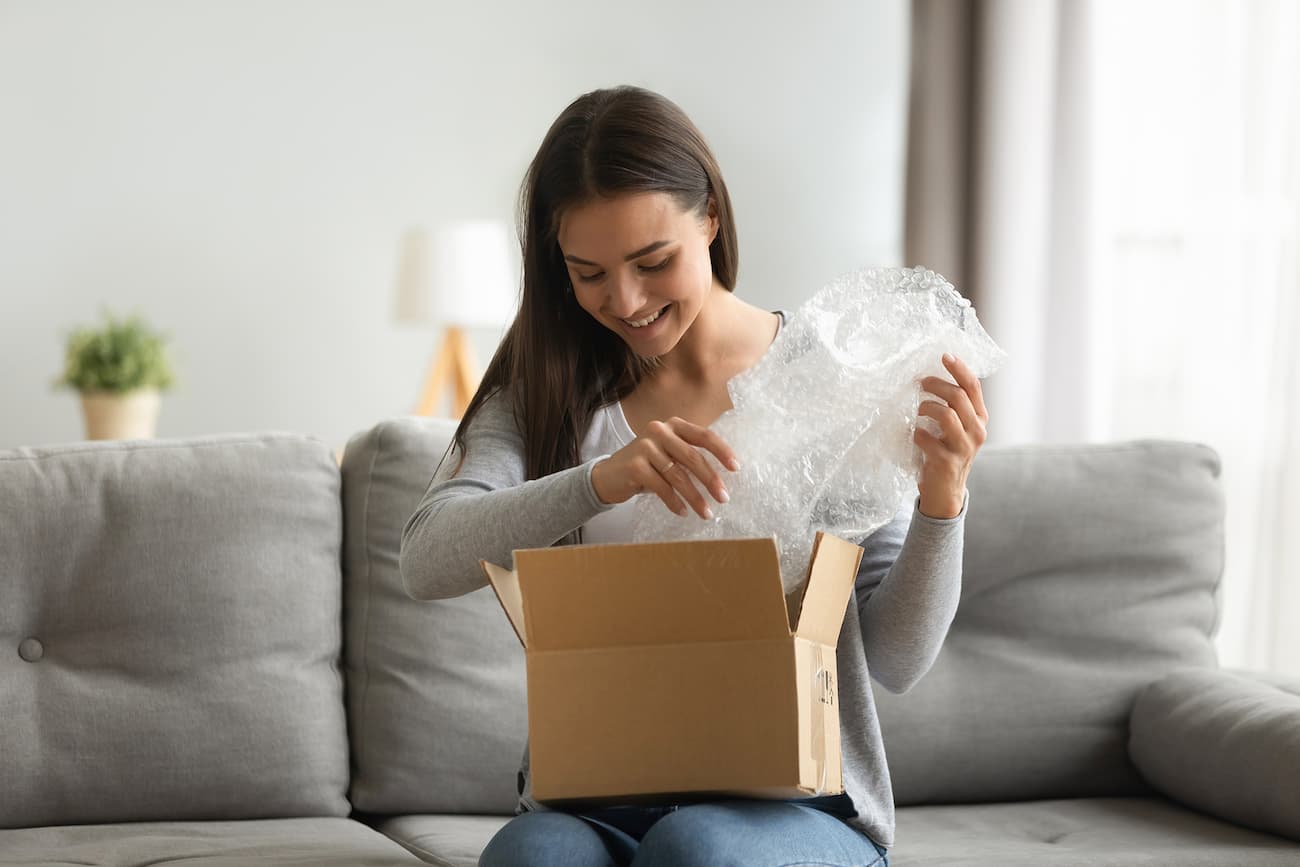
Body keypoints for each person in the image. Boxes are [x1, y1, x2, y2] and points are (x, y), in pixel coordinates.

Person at [399, 85, 989, 867]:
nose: (627, 301)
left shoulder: (827, 381)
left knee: (698, 847)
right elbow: (425, 557)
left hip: (803, 808)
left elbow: (895, 658)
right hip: (593, 797)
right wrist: (600, 480)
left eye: (653, 262)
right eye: (589, 273)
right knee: (529, 858)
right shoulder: (545, 391)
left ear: (709, 215)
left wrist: (942, 503)